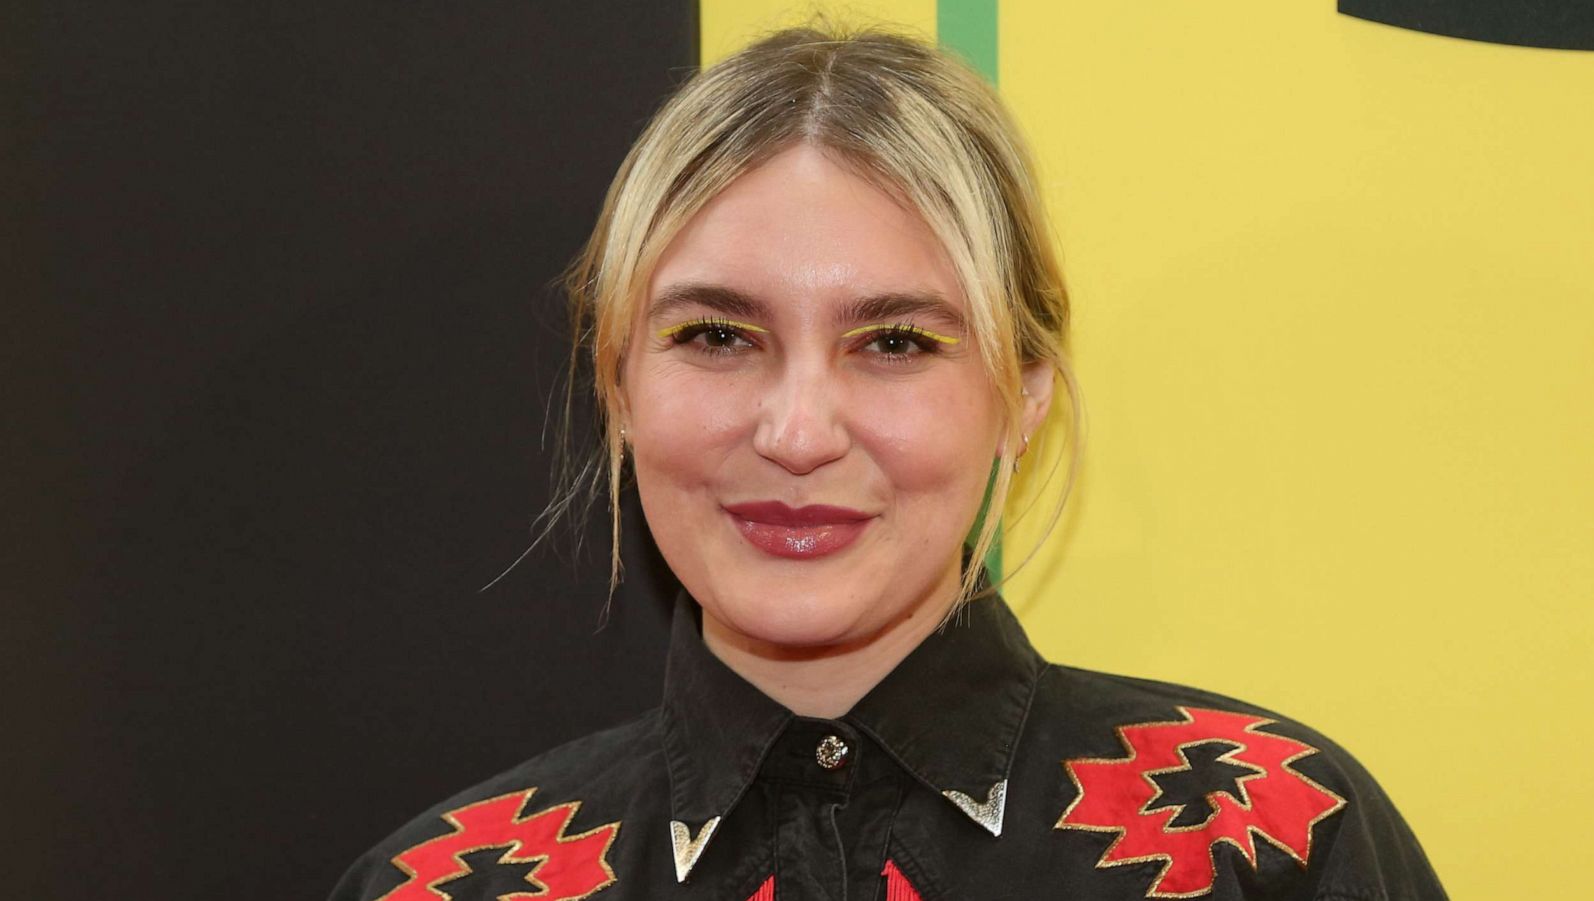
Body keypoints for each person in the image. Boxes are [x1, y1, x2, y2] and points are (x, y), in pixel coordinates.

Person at [328, 24, 1446, 901]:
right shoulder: (448, 884)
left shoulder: (1269, 843)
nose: (799, 432)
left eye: (896, 342)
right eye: (716, 336)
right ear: (619, 389)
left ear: (1024, 397)